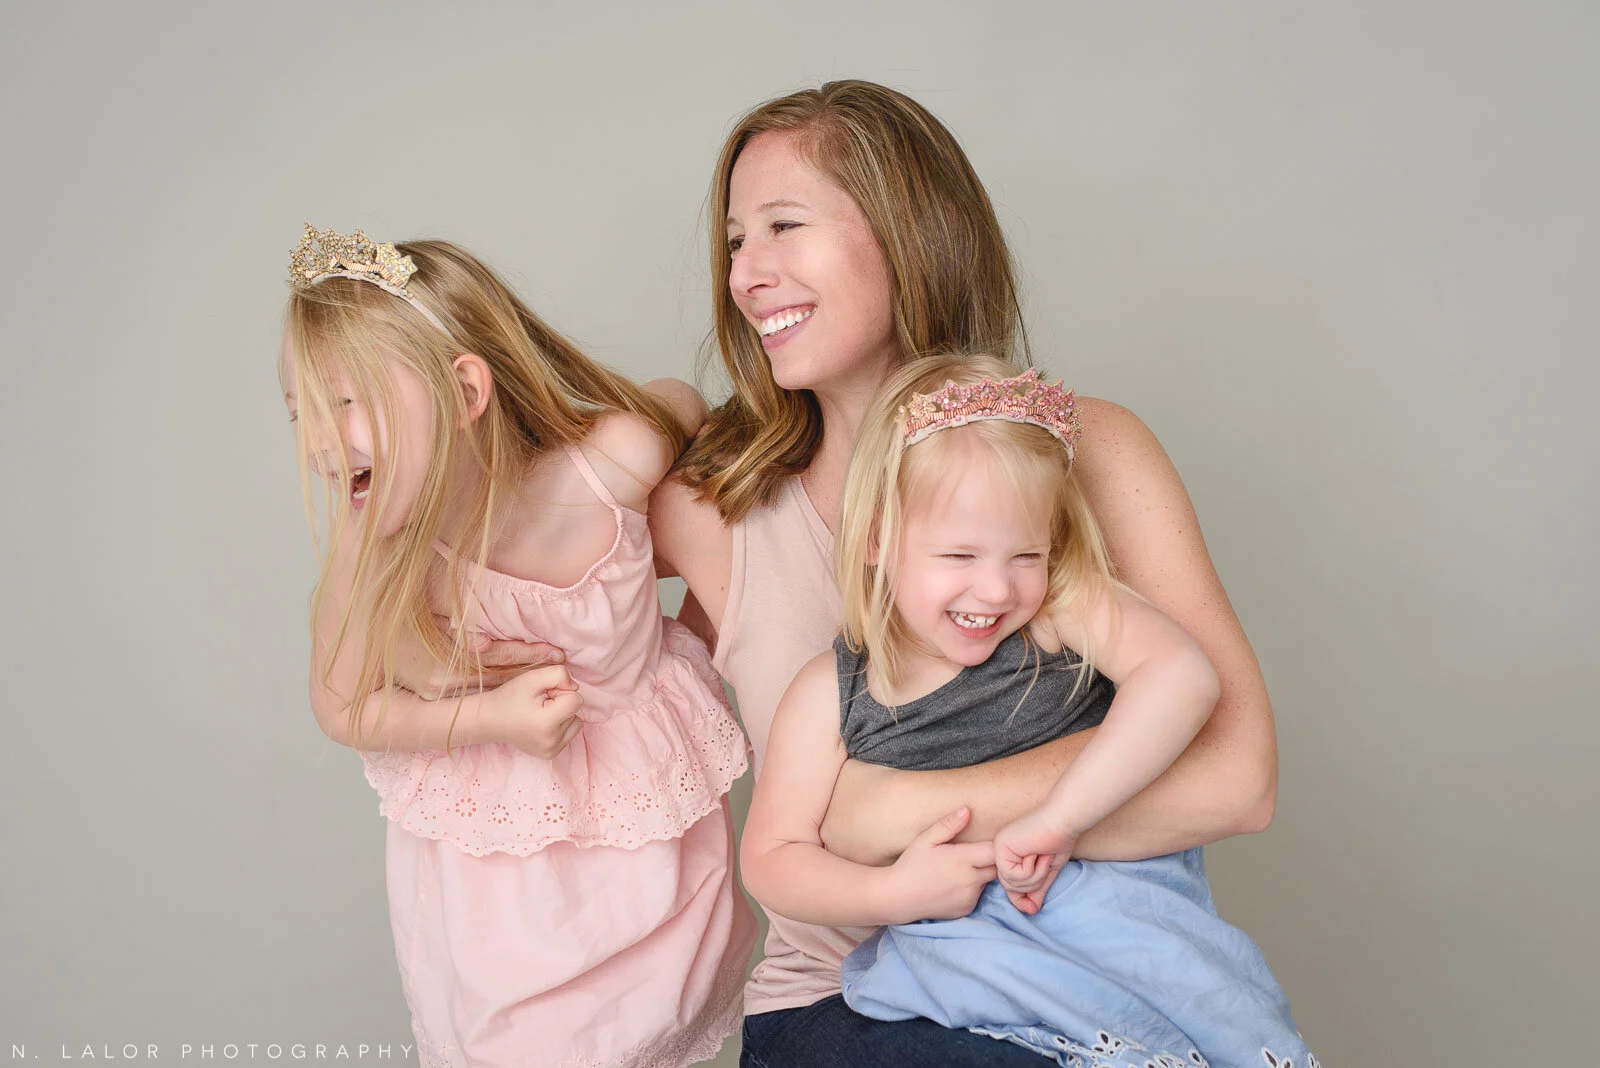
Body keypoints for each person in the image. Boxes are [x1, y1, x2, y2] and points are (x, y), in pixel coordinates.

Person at [646, 81, 1280, 1066]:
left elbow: (1236, 781)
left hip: (1083, 972)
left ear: (911, 234)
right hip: (846, 1000)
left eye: (782, 225)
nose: (746, 274)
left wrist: (877, 812)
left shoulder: (1087, 451)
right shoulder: (714, 500)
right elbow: (496, 541)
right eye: (734, 241)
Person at [741, 353, 1317, 1068]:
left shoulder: (1059, 612)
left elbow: (1183, 677)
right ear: (877, 542)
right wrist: (889, 890)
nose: (994, 590)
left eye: (1026, 554)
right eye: (958, 555)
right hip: (970, 964)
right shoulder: (832, 692)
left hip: (1117, 933)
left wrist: (1061, 816)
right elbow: (772, 857)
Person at [279, 226, 755, 1068]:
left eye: (349, 402)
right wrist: (488, 719)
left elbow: (680, 405)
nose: (322, 440)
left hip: (644, 839)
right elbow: (342, 700)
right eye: (303, 412)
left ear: (465, 391)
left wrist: (707, 625)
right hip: (496, 883)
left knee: (647, 1035)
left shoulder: (612, 467)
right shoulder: (381, 542)